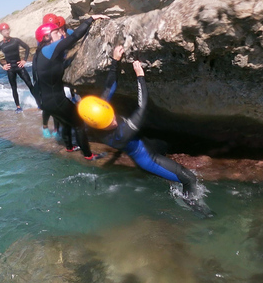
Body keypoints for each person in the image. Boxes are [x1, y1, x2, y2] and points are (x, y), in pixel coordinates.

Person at [78, 45, 209, 212]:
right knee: (189, 179)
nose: (114, 121)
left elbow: (109, 87)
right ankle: (196, 209)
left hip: (145, 141)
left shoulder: (96, 114)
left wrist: (115, 61)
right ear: (99, 126)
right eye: (109, 123)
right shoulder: (121, 133)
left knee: (170, 143)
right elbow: (142, 107)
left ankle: (166, 176)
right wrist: (140, 76)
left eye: (111, 117)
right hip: (147, 158)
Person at [33, 14, 108, 159]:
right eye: (55, 33)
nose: (59, 35)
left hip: (45, 102)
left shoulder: (39, 53)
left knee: (65, 121)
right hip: (56, 100)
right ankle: (88, 155)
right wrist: (90, 19)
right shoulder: (51, 48)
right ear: (47, 37)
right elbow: (74, 38)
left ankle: (69, 147)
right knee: (79, 122)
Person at [0, 23, 37, 113]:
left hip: (19, 66)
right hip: (10, 69)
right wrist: (3, 66)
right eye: (5, 30)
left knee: (29, 84)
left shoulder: (16, 40)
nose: (7, 32)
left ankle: (39, 102)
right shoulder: (0, 45)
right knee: (14, 88)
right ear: (1, 32)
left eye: (8, 30)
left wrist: (24, 60)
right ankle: (18, 107)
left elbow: (27, 48)